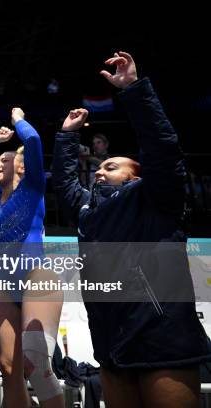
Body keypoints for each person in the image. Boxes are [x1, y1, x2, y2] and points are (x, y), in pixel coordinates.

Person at [52, 51, 211, 408]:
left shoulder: (156, 198)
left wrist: (134, 90)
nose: (98, 172)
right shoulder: (88, 210)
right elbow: (64, 185)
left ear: (136, 176)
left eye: (111, 166)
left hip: (162, 339)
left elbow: (162, 149)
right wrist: (66, 137)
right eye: (98, 168)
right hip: (110, 343)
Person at [0, 108, 64, 407]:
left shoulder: (33, 187)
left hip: (37, 279)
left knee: (37, 366)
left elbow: (32, 141)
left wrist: (18, 119)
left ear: (21, 168)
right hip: (9, 287)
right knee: (9, 369)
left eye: (4, 161)